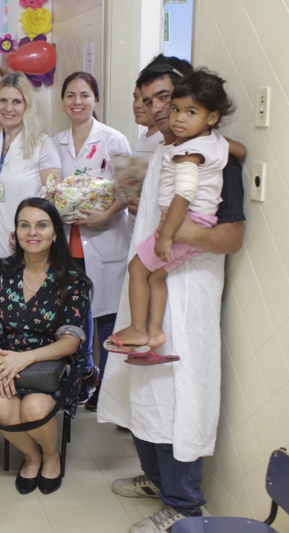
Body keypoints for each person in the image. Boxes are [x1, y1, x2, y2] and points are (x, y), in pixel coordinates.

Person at [99, 55, 246, 533]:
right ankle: (157, 480)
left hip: (186, 292)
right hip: (150, 284)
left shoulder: (210, 157)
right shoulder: (163, 151)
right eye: (149, 100)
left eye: (167, 98)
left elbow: (232, 237)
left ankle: (184, 504)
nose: (161, 109)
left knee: (180, 396)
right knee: (144, 388)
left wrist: (176, 233)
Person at [109, 70, 233, 364]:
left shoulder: (188, 152)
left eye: (190, 112)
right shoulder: (214, 142)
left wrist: (166, 235)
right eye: (176, 109)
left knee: (137, 269)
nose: (177, 117)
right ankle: (155, 334)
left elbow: (184, 194)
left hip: (183, 226)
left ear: (212, 117)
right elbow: (236, 149)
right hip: (193, 226)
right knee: (155, 276)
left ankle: (138, 329)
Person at [0, 197, 91, 495]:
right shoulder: (2, 270)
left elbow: (71, 341)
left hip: (52, 364)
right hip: (6, 360)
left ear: (55, 233)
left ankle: (51, 456)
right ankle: (32, 456)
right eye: (24, 225)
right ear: (15, 232)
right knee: (0, 407)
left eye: (42, 225)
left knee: (35, 407)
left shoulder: (73, 279)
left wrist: (24, 359)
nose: (32, 232)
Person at [54, 71, 133, 402]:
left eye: (84, 95)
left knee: (108, 319)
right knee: (75, 317)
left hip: (106, 237)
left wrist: (106, 214)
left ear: (95, 99)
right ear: (63, 102)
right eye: (70, 95)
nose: (77, 102)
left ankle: (110, 393)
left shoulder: (114, 140)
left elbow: (129, 189)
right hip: (69, 243)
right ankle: (84, 380)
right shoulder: (54, 142)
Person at [85, 83, 164, 411]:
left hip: (152, 242)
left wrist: (115, 209)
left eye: (153, 99)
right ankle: (113, 396)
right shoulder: (144, 139)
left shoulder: (158, 142)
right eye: (137, 98)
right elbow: (129, 191)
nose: (140, 105)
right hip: (135, 235)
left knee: (116, 315)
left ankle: (114, 392)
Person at [0, 72, 61, 264]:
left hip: (30, 246)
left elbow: (53, 200)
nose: (8, 108)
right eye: (3, 100)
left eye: (16, 101)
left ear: (27, 105)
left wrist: (28, 235)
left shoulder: (43, 143)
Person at [133, 85, 163, 160]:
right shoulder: (144, 136)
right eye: (136, 98)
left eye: (146, 99)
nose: (137, 105)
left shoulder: (164, 139)